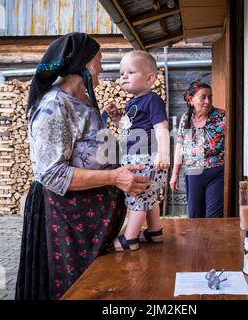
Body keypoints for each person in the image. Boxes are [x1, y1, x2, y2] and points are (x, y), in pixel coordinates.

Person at [15, 33, 150, 300]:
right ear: (85, 63)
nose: (101, 67)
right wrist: (114, 177)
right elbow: (51, 173)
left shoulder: (85, 102)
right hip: (64, 226)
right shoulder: (54, 107)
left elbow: (91, 150)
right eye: (99, 60)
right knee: (74, 291)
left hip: (89, 227)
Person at [104, 50, 170, 251]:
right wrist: (116, 118)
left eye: (130, 72)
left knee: (137, 194)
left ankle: (130, 238)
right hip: (138, 156)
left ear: (150, 78)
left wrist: (164, 153)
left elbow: (162, 128)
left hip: (146, 158)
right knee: (149, 195)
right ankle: (155, 231)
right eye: (121, 72)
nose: (123, 76)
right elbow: (126, 128)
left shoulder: (152, 100)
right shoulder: (132, 103)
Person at [170, 81, 226, 218]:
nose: (208, 101)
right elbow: (180, 146)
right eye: (203, 97)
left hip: (216, 172)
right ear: (190, 99)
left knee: (213, 217)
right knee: (195, 217)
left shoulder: (222, 117)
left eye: (210, 97)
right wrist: (175, 174)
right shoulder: (185, 118)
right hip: (193, 173)